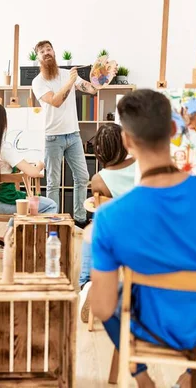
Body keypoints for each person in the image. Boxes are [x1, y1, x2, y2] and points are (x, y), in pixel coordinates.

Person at [89, 89, 196, 388]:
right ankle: (192, 374)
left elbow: (103, 309)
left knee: (104, 295)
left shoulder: (110, 217)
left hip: (152, 330)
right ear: (173, 130)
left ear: (127, 141)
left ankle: (142, 377)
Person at [31, 40, 111, 229]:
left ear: (54, 51)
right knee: (53, 183)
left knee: (83, 177)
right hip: (52, 137)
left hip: (73, 135)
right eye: (42, 51)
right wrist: (70, 82)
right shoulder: (38, 82)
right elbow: (56, 101)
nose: (46, 53)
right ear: (38, 58)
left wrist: (102, 78)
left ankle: (80, 219)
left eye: (48, 49)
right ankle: (53, 223)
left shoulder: (68, 74)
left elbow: (91, 89)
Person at [0, 103, 58, 252]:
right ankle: (31, 242)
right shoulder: (4, 148)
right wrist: (40, 164)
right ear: (3, 123)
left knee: (22, 205)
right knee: (50, 205)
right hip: (2, 202)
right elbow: (33, 172)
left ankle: (6, 238)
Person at [78, 123, 137, 322]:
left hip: (115, 240)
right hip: (145, 237)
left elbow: (100, 209)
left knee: (93, 228)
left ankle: (86, 285)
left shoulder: (99, 180)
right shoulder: (142, 164)